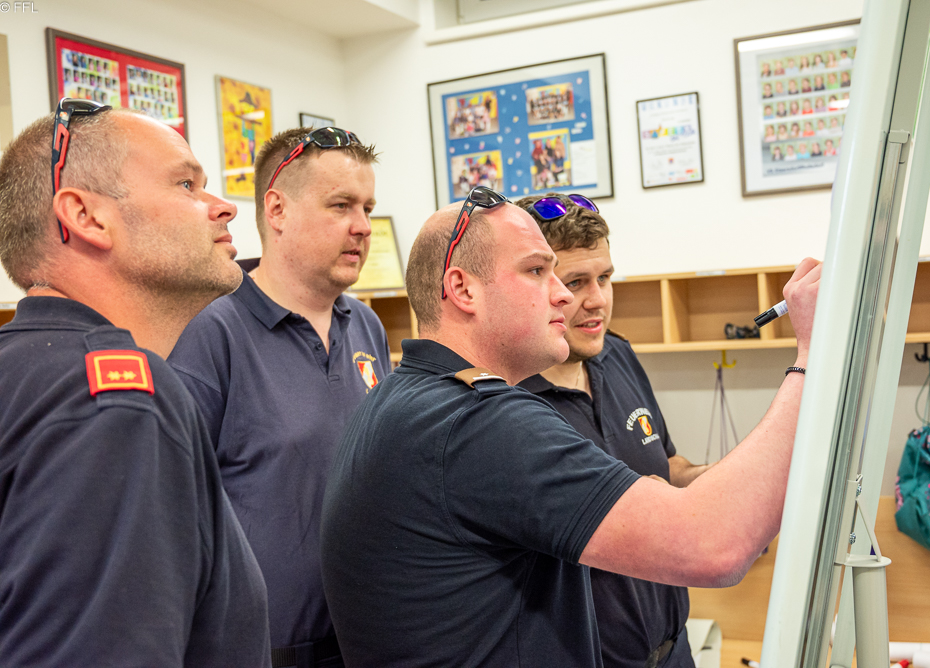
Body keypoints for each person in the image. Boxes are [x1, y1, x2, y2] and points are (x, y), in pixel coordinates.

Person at [320, 186, 820, 666]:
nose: (564, 295)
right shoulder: (478, 421)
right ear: (462, 288)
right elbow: (715, 546)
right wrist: (814, 354)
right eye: (538, 271)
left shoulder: (405, 397)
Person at [0, 101, 269, 665]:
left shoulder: (27, 369)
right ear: (87, 217)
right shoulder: (118, 400)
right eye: (186, 185)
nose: (223, 207)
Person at [168, 127, 390, 668]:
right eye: (341, 205)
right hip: (262, 648)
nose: (363, 226)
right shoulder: (210, 331)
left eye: (366, 208)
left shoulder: (366, 325)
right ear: (277, 210)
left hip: (367, 637)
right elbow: (174, 508)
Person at [513, 193, 711, 668]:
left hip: (673, 650)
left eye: (604, 278)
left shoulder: (617, 355)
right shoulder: (507, 400)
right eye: (576, 282)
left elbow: (667, 466)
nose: (598, 300)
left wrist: (729, 479)